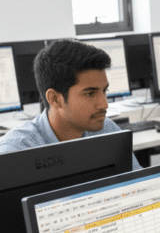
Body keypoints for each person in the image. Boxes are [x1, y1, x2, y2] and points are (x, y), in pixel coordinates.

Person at [0, 39, 141, 170]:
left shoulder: (108, 131)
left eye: (104, 91)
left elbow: (139, 185)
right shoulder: (14, 153)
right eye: (89, 94)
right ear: (55, 99)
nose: (104, 105)